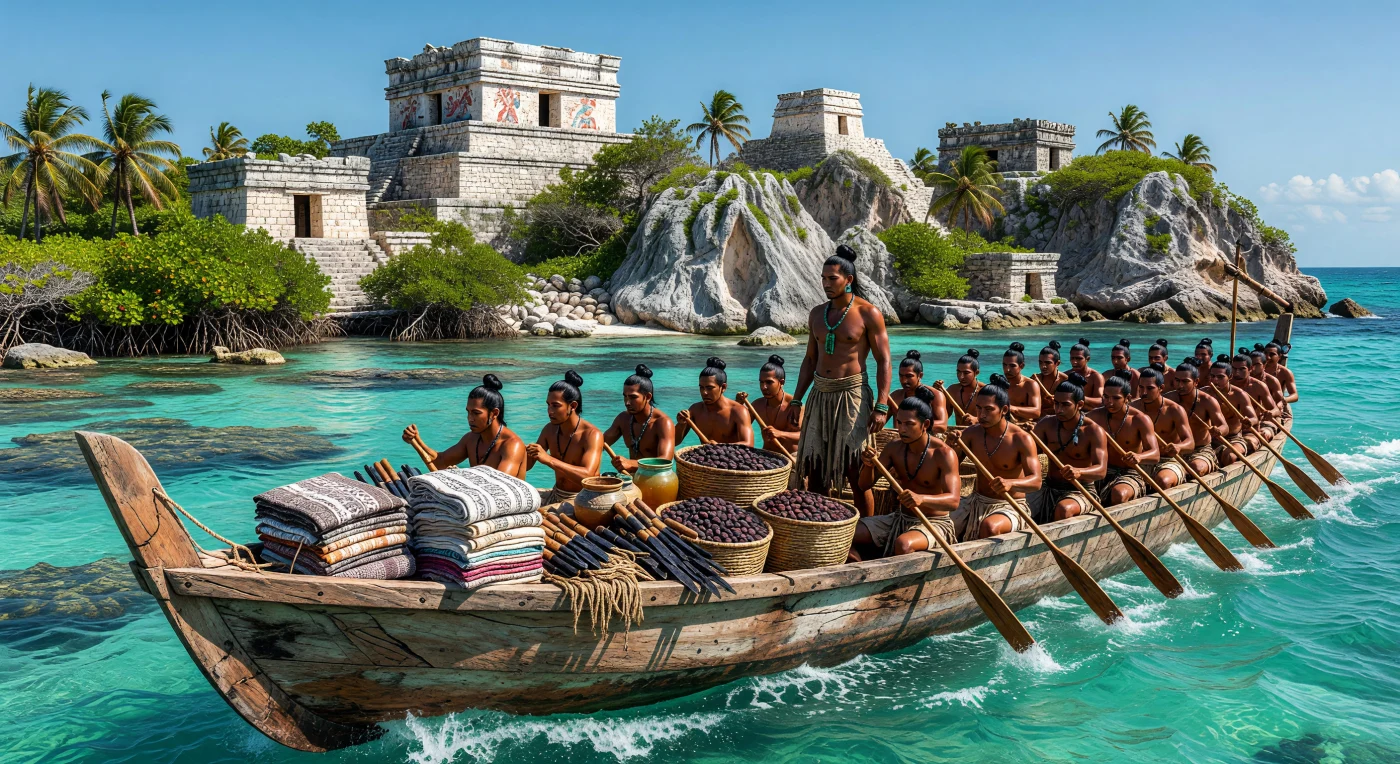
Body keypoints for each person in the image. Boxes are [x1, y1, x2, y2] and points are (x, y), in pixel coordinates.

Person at [790, 244, 893, 512]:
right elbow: (810, 360)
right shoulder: (817, 314)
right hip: (819, 394)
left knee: (856, 470)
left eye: (832, 278)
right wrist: (797, 400)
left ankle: (866, 530)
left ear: (848, 279)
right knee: (815, 468)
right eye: (823, 278)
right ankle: (821, 524)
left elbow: (884, 360)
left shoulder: (868, 313)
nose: (826, 283)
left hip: (852, 395)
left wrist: (881, 406)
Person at [852, 387, 962, 558]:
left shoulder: (944, 454)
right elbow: (864, 485)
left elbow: (953, 501)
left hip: (934, 523)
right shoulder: (894, 448)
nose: (902, 429)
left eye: (909, 424)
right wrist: (868, 465)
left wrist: (921, 499)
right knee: (847, 533)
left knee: (904, 544)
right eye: (899, 422)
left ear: (925, 425)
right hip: (900, 518)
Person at [946, 376, 1041, 540]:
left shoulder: (1021, 439)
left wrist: (1010, 483)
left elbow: (1036, 482)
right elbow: (947, 469)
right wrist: (949, 446)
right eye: (978, 408)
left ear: (1004, 410)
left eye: (988, 409)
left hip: (1010, 506)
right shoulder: (971, 434)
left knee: (990, 526)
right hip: (976, 501)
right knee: (941, 521)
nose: (981, 415)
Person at [403, 374, 527, 478]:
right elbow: (440, 462)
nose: (470, 419)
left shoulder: (512, 445)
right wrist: (415, 440)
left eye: (476, 413)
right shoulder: (471, 439)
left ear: (494, 413)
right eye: (468, 412)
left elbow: (500, 485)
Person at [1028, 372, 1108, 521]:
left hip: (1080, 491)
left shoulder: (1093, 431)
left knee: (1064, 509)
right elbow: (1027, 454)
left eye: (1065, 405)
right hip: (1048, 487)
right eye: (1056, 403)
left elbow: (1101, 471)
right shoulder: (1046, 424)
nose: (1059, 409)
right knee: (1019, 506)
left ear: (1080, 405)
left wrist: (1079, 472)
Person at [526, 370, 604, 504]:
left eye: (555, 406)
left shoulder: (592, 435)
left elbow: (588, 476)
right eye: (548, 405)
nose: (550, 411)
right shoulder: (549, 429)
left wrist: (548, 459)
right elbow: (527, 466)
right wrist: (520, 452)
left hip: (583, 500)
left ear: (573, 406)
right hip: (556, 494)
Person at [1088, 372, 1160, 505]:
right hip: (1101, 472)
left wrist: (1139, 457)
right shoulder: (1094, 416)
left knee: (1119, 494)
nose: (1109, 402)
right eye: (1106, 397)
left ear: (1128, 398)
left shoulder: (1140, 419)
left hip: (1130, 473)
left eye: (1116, 398)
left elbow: (1155, 454)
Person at [603, 364, 674, 474]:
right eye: (625, 396)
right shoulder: (623, 419)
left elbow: (664, 461)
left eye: (633, 397)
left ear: (648, 397)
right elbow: (599, 443)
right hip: (632, 477)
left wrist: (630, 464)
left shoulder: (663, 423)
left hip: (655, 479)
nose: (627, 402)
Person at [1133, 364, 1194, 489]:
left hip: (1168, 461)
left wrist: (1179, 447)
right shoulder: (1132, 409)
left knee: (1163, 481)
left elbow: (1190, 443)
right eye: (1141, 387)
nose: (1144, 392)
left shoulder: (1174, 410)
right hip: (1140, 461)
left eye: (1150, 388)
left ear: (1161, 388)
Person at [1167, 360, 1228, 475]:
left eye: (1185, 381)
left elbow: (1224, 426)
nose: (1180, 385)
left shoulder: (1207, 401)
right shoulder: (1167, 400)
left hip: (1200, 450)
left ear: (1196, 382)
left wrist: (1218, 430)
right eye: (1177, 380)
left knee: (1196, 468)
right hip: (1174, 451)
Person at [677, 357, 753, 446]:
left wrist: (719, 447)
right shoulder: (695, 410)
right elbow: (674, 442)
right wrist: (681, 424)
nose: (704, 392)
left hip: (732, 455)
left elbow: (748, 444)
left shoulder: (738, 411)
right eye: (701, 387)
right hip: (706, 455)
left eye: (709, 388)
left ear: (723, 387)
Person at [736, 355, 802, 455]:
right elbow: (735, 429)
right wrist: (738, 405)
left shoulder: (795, 406)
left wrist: (780, 434)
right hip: (766, 456)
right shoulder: (757, 405)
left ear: (781, 382)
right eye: (761, 382)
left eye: (769, 382)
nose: (764, 387)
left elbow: (806, 436)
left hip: (791, 457)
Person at [1202, 359, 1257, 466]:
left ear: (1230, 377)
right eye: (1212, 376)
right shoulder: (1202, 394)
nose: (1215, 380)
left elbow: (1254, 418)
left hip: (1233, 439)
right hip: (1208, 440)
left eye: (1220, 377)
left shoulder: (1239, 394)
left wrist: (1249, 421)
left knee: (1230, 456)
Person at [887, 350, 947, 436]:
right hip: (899, 440)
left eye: (909, 376)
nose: (904, 381)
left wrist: (913, 426)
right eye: (901, 376)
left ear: (920, 375)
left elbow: (942, 425)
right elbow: (879, 420)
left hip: (927, 441)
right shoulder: (895, 396)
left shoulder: (936, 396)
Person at [1231, 352, 1280, 442]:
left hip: (1251, 429)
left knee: (1259, 438)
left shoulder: (1258, 386)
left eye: (1242, 369)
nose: (1237, 373)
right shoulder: (1224, 385)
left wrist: (1271, 413)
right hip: (1230, 430)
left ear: (1250, 369)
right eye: (1234, 369)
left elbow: (1276, 410)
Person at [1001, 342, 1042, 423]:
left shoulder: (1030, 385)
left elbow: (1036, 412)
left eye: (1012, 366)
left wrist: (1012, 408)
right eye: (1004, 365)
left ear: (1022, 366)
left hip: (1024, 425)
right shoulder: (1000, 383)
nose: (1007, 369)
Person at [945, 349, 983, 427]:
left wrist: (976, 420)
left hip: (979, 433)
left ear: (976, 373)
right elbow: (943, 417)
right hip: (958, 433)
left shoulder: (985, 392)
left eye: (966, 373)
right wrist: (937, 394)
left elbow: (996, 418)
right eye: (958, 372)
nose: (961, 377)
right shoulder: (952, 390)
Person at [1069, 338, 1106, 409]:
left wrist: (1078, 397)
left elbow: (1102, 402)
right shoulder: (1066, 375)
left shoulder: (1096, 377)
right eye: (1072, 358)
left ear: (1087, 359)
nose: (1074, 362)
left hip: (1090, 413)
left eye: (1079, 359)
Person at [1033, 340, 1069, 413]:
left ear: (1057, 363)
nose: (1043, 366)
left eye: (1048, 363)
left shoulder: (1065, 380)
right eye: (1040, 362)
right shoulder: (1035, 380)